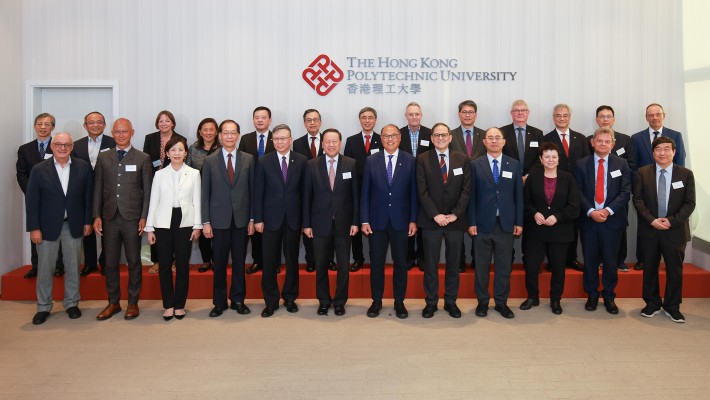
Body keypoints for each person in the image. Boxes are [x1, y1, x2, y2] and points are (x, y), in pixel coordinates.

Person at [26, 132, 93, 325]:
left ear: (72, 147)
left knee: (73, 266)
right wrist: (34, 228)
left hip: (73, 225)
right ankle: (43, 307)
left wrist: (87, 221)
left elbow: (88, 197)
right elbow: (32, 201)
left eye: (66, 145)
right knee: (45, 268)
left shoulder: (82, 167)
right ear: (52, 147)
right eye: (58, 144)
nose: (62, 148)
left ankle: (72, 304)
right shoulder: (39, 169)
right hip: (46, 227)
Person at [94, 118, 153, 320]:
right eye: (117, 132)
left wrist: (144, 216)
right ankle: (113, 303)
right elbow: (97, 189)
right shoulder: (103, 158)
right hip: (109, 218)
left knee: (134, 261)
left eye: (124, 132)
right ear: (112, 133)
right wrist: (96, 216)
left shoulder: (143, 158)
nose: (121, 135)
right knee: (110, 263)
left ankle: (133, 303)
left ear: (132, 132)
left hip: (132, 218)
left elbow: (147, 191)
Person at [633, 137, 695, 323]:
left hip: (674, 231)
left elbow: (689, 203)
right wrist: (652, 220)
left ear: (674, 152)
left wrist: (671, 221)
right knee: (649, 268)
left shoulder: (685, 174)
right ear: (653, 153)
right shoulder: (643, 173)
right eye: (658, 149)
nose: (662, 153)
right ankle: (652, 303)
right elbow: (638, 200)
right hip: (650, 230)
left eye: (667, 149)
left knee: (674, 270)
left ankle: (672, 306)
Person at [361, 124, 418, 319]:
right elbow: (365, 192)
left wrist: (413, 219)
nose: (390, 139)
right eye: (386, 136)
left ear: (400, 138)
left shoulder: (410, 160)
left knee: (401, 263)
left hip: (401, 222)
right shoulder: (371, 160)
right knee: (376, 263)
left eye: (393, 135)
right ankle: (376, 301)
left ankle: (399, 302)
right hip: (376, 222)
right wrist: (364, 219)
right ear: (381, 139)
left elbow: (413, 194)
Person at [416, 123, 470, 319]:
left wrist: (455, 214)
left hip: (456, 221)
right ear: (431, 138)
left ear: (450, 137)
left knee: (453, 264)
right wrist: (435, 214)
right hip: (431, 221)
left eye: (444, 135)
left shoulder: (462, 159)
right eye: (436, 135)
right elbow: (421, 191)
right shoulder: (422, 159)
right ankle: (431, 302)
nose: (440, 138)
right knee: (430, 264)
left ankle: (450, 302)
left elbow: (466, 190)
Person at [575, 127, 631, 315]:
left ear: (612, 144)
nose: (603, 144)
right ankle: (591, 295)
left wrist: (607, 210)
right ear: (592, 142)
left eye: (607, 141)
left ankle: (609, 296)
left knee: (610, 260)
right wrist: (591, 211)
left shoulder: (621, 164)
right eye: (599, 141)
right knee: (589, 260)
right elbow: (578, 191)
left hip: (612, 220)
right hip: (589, 220)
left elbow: (625, 192)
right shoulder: (581, 164)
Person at [303, 129, 359, 316]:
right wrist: (307, 224)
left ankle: (340, 301)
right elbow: (306, 197)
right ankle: (324, 301)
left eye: (334, 141)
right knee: (320, 266)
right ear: (322, 143)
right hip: (319, 224)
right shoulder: (311, 165)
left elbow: (355, 196)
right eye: (327, 141)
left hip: (344, 224)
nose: (331, 145)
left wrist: (355, 222)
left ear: (340, 142)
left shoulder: (351, 164)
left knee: (343, 266)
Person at [145, 137, 202, 320]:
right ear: (167, 154)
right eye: (173, 150)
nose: (177, 153)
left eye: (180, 150)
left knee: (183, 265)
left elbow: (197, 202)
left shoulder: (194, 173)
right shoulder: (159, 174)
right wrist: (150, 228)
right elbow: (154, 201)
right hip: (163, 222)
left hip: (185, 222)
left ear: (186, 153)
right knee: (164, 266)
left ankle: (179, 305)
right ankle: (168, 305)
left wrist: (197, 225)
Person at [202, 119, 255, 318]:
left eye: (233, 133)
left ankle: (238, 299)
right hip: (218, 220)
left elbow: (252, 191)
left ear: (238, 135)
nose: (230, 136)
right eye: (226, 133)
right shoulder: (210, 160)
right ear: (220, 136)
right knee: (220, 263)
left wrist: (252, 219)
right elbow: (204, 193)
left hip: (241, 220)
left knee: (240, 262)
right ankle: (219, 302)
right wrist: (206, 222)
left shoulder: (248, 159)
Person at [469, 127, 523, 319]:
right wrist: (472, 221)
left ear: (504, 141)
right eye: (490, 138)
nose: (493, 141)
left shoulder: (514, 164)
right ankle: (482, 302)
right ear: (484, 142)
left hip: (506, 224)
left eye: (497, 138)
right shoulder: (475, 165)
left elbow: (518, 195)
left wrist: (519, 221)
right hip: (482, 224)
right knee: (482, 266)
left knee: (503, 267)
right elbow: (471, 197)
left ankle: (501, 302)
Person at [253, 124, 307, 317]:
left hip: (293, 219)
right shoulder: (263, 161)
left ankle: (290, 297)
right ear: (272, 141)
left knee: (292, 259)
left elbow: (305, 193)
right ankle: (271, 301)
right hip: (270, 219)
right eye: (276, 139)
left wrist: (305, 220)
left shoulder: (301, 161)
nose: (280, 142)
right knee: (269, 262)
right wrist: (257, 218)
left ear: (290, 140)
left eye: (283, 138)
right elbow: (258, 192)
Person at [520, 143, 579, 315]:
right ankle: (532, 297)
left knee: (558, 267)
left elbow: (574, 207)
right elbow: (525, 203)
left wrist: (557, 217)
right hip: (535, 231)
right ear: (541, 159)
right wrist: (534, 214)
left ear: (559, 159)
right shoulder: (533, 178)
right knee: (531, 266)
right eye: (547, 157)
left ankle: (555, 300)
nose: (551, 160)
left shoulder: (568, 178)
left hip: (560, 231)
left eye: (554, 157)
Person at [631, 103, 686, 271]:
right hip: (645, 188)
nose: (654, 117)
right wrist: (637, 189)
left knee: (669, 221)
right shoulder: (636, 137)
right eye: (650, 115)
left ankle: (669, 258)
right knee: (645, 223)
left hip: (669, 188)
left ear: (664, 115)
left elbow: (680, 163)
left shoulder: (675, 135)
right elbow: (633, 165)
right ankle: (642, 259)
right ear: (646, 117)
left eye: (658, 114)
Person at [16, 113, 64, 278]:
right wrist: (32, 193)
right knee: (35, 231)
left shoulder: (59, 146)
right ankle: (36, 266)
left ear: (53, 127)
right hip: (34, 199)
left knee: (58, 231)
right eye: (40, 124)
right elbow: (21, 174)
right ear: (35, 126)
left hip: (56, 198)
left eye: (47, 124)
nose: (43, 127)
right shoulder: (25, 149)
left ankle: (58, 265)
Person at [543, 104, 590, 272]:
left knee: (573, 224)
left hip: (577, 188)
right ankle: (553, 260)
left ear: (570, 117)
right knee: (553, 224)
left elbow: (587, 163)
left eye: (565, 115)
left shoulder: (581, 138)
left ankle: (571, 258)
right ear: (553, 118)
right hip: (554, 188)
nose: (561, 118)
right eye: (558, 115)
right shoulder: (546, 138)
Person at [590, 105, 635, 272]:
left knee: (619, 228)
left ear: (614, 119)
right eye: (602, 116)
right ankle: (602, 259)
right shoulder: (592, 138)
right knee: (596, 233)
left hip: (618, 194)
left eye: (609, 116)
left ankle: (620, 259)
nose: (605, 119)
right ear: (597, 119)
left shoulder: (625, 139)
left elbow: (631, 164)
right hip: (596, 195)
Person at [72, 111, 116, 276]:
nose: (95, 125)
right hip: (83, 193)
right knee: (87, 227)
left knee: (107, 228)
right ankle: (90, 262)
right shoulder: (76, 145)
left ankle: (105, 262)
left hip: (108, 193)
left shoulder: (113, 143)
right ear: (85, 126)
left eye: (99, 122)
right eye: (91, 122)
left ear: (104, 125)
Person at [143, 110, 186, 274]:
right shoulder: (150, 138)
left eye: (167, 121)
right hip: (156, 183)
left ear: (172, 123)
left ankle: (173, 260)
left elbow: (183, 162)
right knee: (156, 222)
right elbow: (146, 161)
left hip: (174, 184)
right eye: (161, 121)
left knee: (174, 224)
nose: (164, 123)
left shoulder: (180, 139)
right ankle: (157, 260)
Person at [292, 109, 334, 273]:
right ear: (304, 123)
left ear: (320, 122)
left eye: (315, 120)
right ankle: (311, 259)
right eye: (309, 120)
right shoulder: (297, 143)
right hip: (305, 191)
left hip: (326, 191)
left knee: (329, 227)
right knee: (308, 226)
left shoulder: (329, 140)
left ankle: (329, 259)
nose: (312, 123)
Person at [344, 107, 382, 272]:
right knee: (356, 225)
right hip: (356, 190)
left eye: (370, 118)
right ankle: (358, 258)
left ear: (375, 120)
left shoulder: (383, 139)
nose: (367, 120)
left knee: (375, 224)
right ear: (360, 120)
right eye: (364, 117)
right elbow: (346, 166)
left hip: (377, 191)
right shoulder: (351, 141)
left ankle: (376, 257)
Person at [449, 100, 485, 272]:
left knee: (478, 222)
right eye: (464, 111)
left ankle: (477, 259)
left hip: (480, 186)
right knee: (458, 223)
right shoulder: (450, 135)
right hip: (457, 187)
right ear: (459, 114)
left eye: (471, 112)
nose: (467, 115)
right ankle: (460, 260)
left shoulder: (485, 135)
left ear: (476, 115)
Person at [239, 106, 274, 275]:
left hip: (273, 189)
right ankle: (257, 261)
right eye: (256, 117)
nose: (260, 120)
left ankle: (272, 263)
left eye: (263, 117)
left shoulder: (277, 138)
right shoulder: (246, 139)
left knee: (272, 228)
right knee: (255, 225)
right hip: (252, 187)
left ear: (270, 120)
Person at [398, 102, 432, 270]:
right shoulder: (398, 134)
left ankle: (423, 257)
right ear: (406, 116)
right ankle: (409, 257)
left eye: (417, 114)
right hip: (404, 184)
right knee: (408, 222)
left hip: (426, 184)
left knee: (424, 222)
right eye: (410, 114)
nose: (414, 117)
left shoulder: (430, 133)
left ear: (421, 115)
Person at [187, 117, 220, 273]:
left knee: (219, 228)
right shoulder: (193, 149)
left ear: (216, 131)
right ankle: (206, 260)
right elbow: (186, 171)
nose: (208, 132)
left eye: (211, 129)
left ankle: (218, 260)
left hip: (219, 194)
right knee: (202, 227)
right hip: (198, 195)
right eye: (205, 129)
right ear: (200, 131)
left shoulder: (222, 148)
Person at [501, 99, 544, 182]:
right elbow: (499, 155)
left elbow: (541, 157)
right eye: (516, 110)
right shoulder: (502, 132)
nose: (520, 113)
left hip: (532, 179)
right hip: (508, 178)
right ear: (511, 113)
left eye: (523, 110)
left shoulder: (537, 133)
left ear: (528, 113)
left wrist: (528, 176)